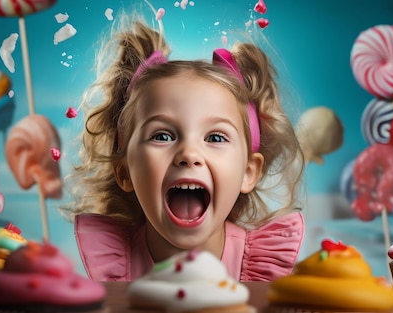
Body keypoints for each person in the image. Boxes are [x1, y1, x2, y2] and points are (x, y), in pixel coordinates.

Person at [62, 10, 305, 282]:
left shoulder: (262, 274)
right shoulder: (115, 271)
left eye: (215, 137)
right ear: (125, 171)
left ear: (248, 172)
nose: (189, 155)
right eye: (162, 136)